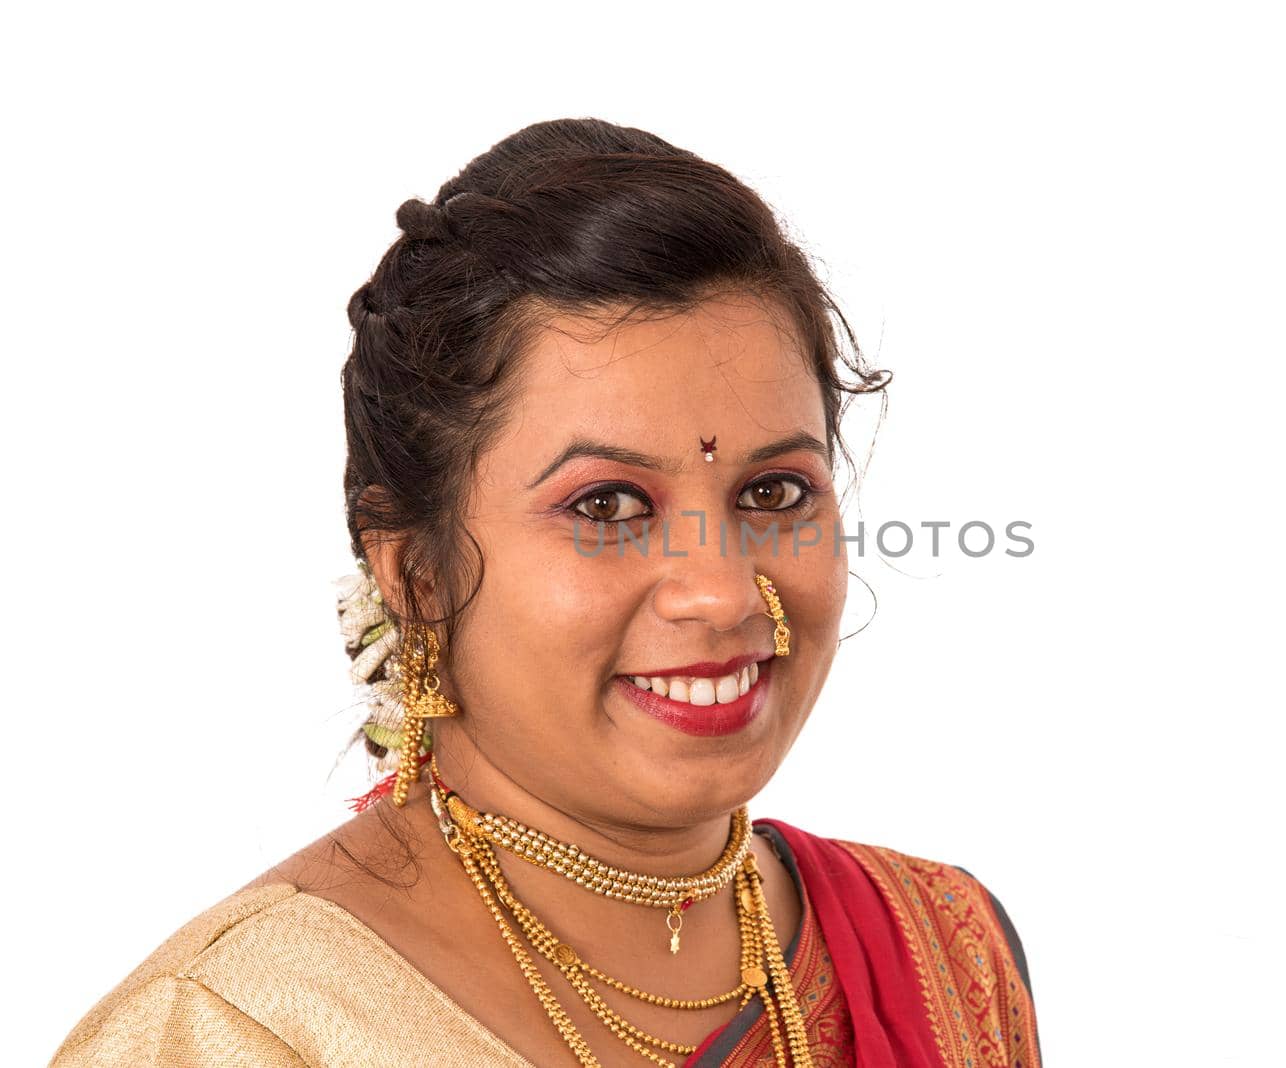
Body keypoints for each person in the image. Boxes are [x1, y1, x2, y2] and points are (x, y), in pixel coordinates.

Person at [50, 117, 1043, 1067]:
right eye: (608, 505)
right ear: (417, 576)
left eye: (772, 491)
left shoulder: (943, 955)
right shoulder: (240, 1032)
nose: (720, 592)